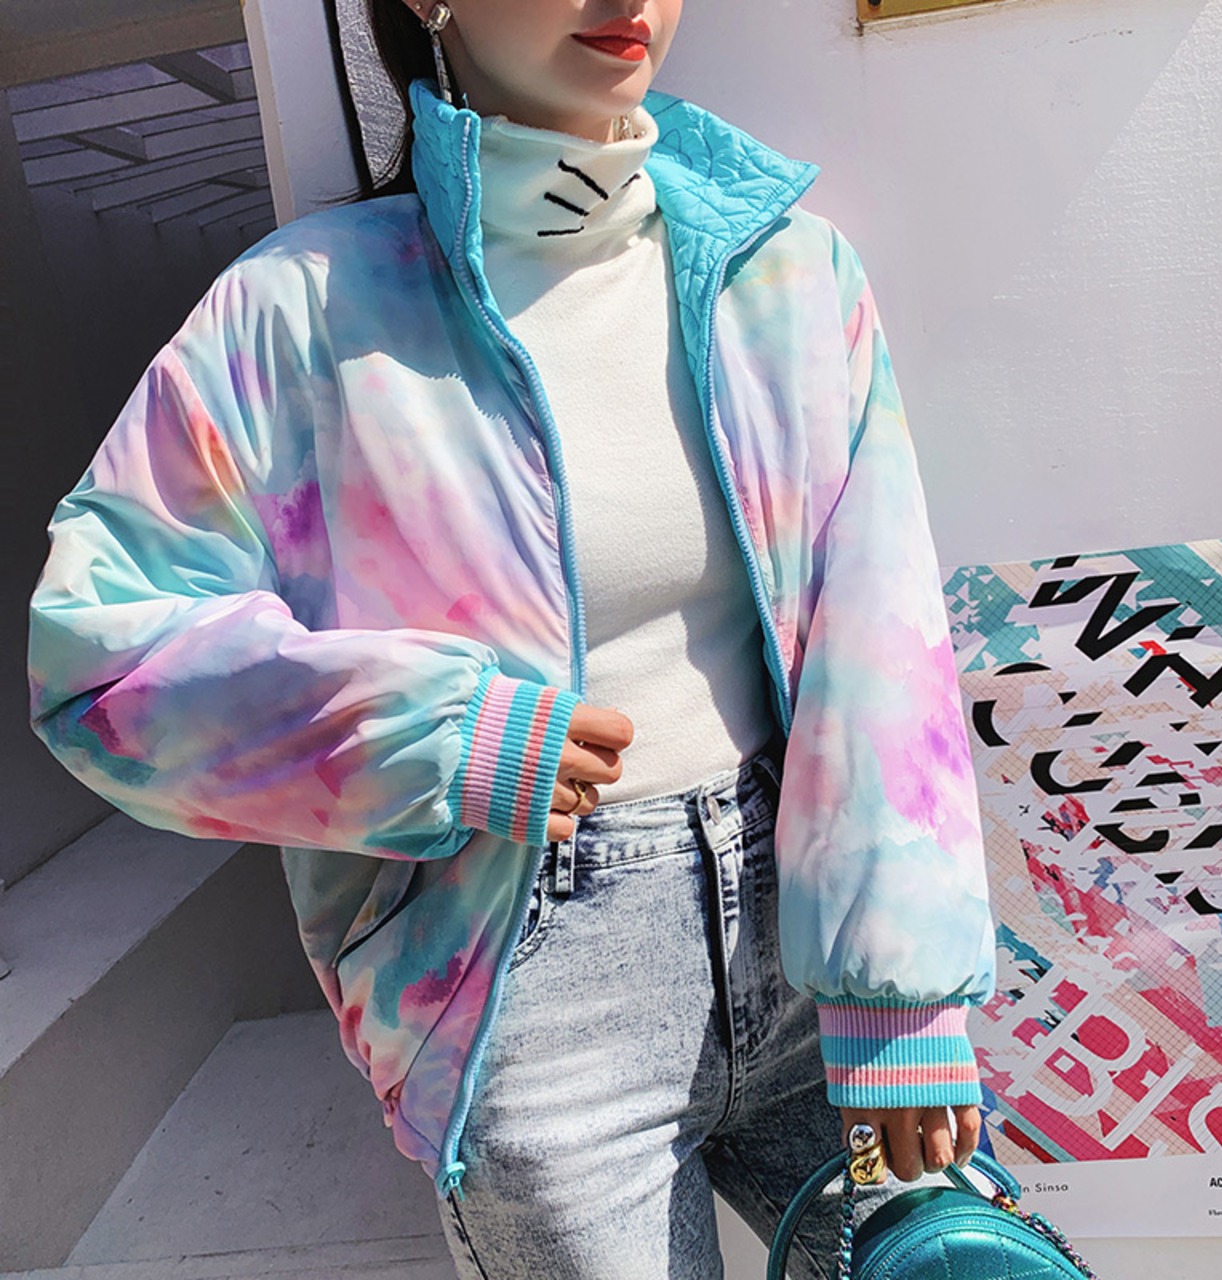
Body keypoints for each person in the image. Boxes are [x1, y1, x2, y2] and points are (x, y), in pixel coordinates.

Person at [27, 0, 997, 1275]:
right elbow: (101, 663)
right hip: (533, 994)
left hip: (824, 950)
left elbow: (878, 632)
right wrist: (446, 733)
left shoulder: (787, 275)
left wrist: (903, 993)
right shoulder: (300, 308)